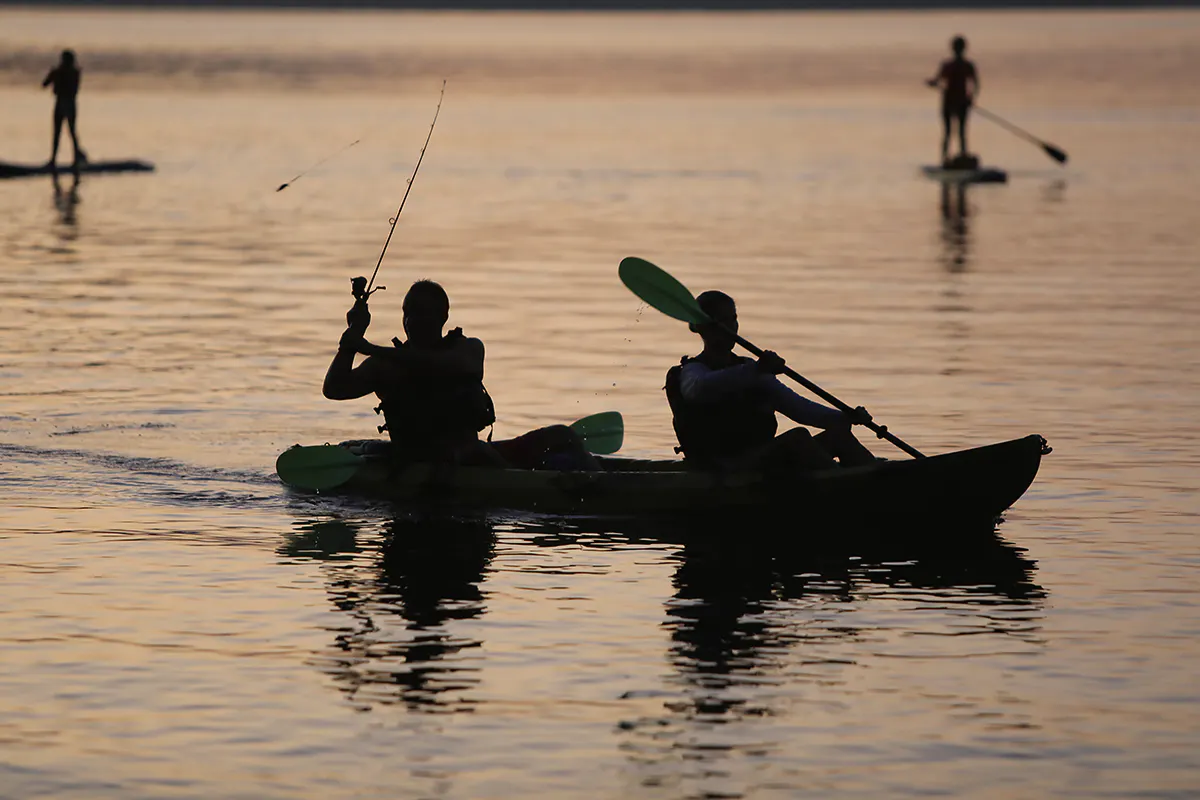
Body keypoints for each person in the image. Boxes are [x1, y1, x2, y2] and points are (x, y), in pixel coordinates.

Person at [323, 279, 598, 470]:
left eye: (422, 313)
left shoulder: (468, 348)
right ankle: (522, 482)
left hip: (470, 451)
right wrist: (352, 338)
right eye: (408, 313)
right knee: (477, 453)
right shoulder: (384, 366)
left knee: (563, 434)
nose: (412, 321)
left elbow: (451, 366)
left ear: (443, 317)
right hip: (423, 458)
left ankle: (598, 483)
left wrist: (370, 348)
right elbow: (334, 389)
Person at [664, 290, 877, 473]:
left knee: (839, 435)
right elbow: (700, 388)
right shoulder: (691, 371)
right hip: (720, 467)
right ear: (701, 328)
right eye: (721, 321)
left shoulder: (750, 369)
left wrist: (847, 417)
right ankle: (847, 489)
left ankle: (876, 480)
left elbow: (800, 409)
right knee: (798, 438)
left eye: (733, 319)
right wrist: (757, 369)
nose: (730, 327)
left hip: (760, 460)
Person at [926, 35, 979, 166]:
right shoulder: (965, 65)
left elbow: (937, 81)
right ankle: (954, 157)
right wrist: (971, 98)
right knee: (958, 132)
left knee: (951, 132)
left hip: (953, 103)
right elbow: (976, 85)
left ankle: (950, 159)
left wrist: (932, 83)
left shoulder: (953, 65)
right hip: (955, 102)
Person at [42, 49, 87, 168]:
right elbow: (44, 84)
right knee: (58, 132)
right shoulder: (59, 72)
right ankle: (53, 160)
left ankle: (76, 159)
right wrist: (53, 74)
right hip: (61, 103)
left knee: (70, 131)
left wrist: (56, 74)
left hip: (68, 104)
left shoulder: (73, 73)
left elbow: (73, 90)